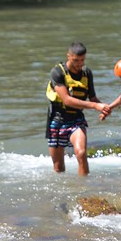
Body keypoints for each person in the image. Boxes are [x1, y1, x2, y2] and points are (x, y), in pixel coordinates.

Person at [46, 41, 108, 176]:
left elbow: (93, 98)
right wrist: (95, 106)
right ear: (68, 56)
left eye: (82, 60)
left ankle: (84, 190)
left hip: (76, 119)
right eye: (76, 60)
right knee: (58, 168)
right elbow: (67, 100)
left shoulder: (87, 73)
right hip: (57, 119)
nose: (80, 63)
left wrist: (103, 108)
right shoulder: (57, 72)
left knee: (81, 153)